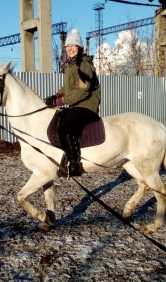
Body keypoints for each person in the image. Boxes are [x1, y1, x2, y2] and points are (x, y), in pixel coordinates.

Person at [44, 29, 101, 177]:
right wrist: (55, 96)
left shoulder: (83, 65)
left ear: (79, 47)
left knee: (65, 128)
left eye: (73, 45)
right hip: (77, 104)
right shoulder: (71, 65)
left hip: (87, 105)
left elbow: (82, 91)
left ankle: (75, 164)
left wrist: (60, 101)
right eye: (68, 45)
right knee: (58, 120)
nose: (70, 48)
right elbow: (67, 87)